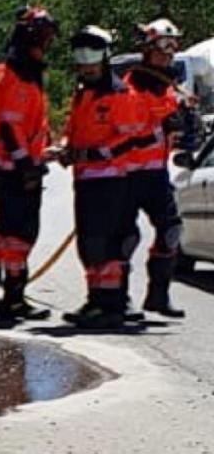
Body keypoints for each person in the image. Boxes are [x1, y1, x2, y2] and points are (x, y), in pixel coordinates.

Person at [0, 6, 57, 321]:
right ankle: (14, 297)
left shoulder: (12, 71)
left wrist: (43, 150)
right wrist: (26, 167)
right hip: (13, 169)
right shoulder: (16, 76)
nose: (46, 45)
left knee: (4, 229)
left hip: (7, 166)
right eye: (44, 37)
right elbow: (10, 127)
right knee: (20, 233)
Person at [58, 26, 140, 329]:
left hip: (110, 181)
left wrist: (92, 155)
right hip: (85, 180)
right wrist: (66, 149)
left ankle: (112, 304)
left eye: (91, 56)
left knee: (106, 245)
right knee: (89, 244)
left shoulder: (120, 94)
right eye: (80, 56)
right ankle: (95, 301)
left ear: (105, 57)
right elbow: (73, 131)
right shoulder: (83, 94)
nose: (85, 63)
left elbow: (128, 140)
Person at [123, 18, 189, 318]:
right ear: (148, 49)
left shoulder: (168, 89)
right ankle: (118, 297)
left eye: (173, 47)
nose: (168, 53)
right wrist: (161, 124)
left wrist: (185, 124)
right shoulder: (131, 86)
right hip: (127, 172)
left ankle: (158, 295)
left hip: (157, 173)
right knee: (125, 236)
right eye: (163, 46)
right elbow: (127, 128)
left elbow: (173, 127)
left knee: (172, 230)